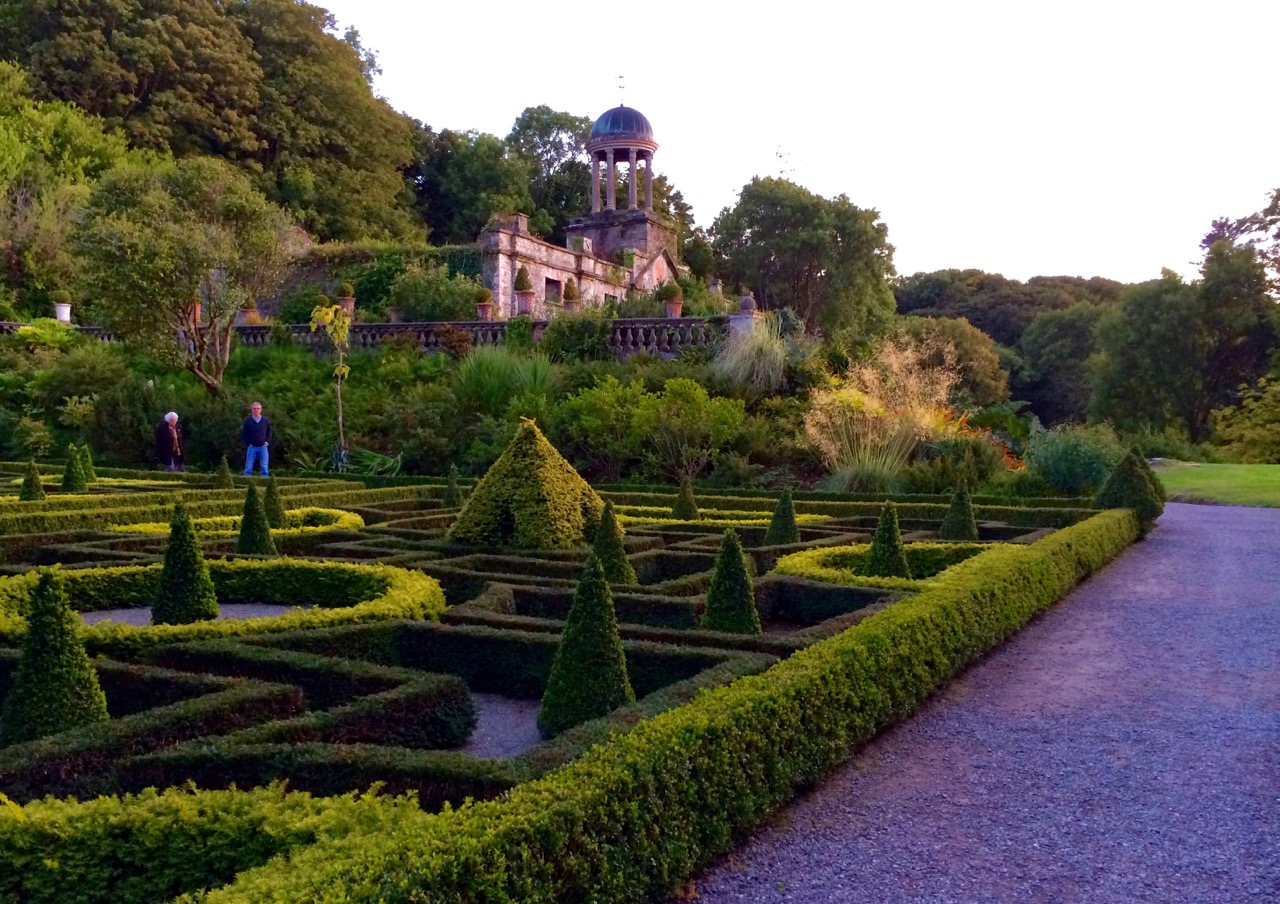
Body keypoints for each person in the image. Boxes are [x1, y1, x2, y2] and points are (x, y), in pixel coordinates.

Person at [241, 401, 273, 477]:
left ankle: (264, 484)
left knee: (264, 468)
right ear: (252, 410)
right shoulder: (248, 421)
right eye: (254, 409)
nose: (256, 410)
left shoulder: (265, 420)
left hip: (263, 447)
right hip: (252, 447)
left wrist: (267, 442)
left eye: (258, 409)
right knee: (248, 468)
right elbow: (245, 433)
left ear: (261, 410)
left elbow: (269, 431)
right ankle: (247, 483)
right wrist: (248, 443)